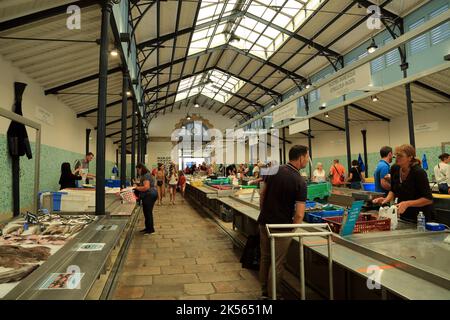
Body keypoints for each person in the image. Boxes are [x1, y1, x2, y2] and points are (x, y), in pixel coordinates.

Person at [258, 145, 309, 300]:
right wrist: (292, 229)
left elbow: (262, 194)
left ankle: (265, 292)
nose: (307, 160)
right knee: (277, 262)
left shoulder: (274, 171)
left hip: (264, 222)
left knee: (265, 257)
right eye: (307, 157)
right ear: (301, 158)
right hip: (281, 227)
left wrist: (265, 213)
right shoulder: (300, 181)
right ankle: (275, 295)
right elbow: (300, 214)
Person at [373, 144, 434, 223]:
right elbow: (393, 190)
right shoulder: (395, 168)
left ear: (410, 157)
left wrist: (407, 203)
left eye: (400, 156)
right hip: (404, 216)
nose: (397, 158)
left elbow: (428, 199)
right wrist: (386, 199)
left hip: (421, 218)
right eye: (396, 155)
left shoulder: (418, 172)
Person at [133, 163, 157, 235]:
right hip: (149, 195)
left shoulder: (146, 175)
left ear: (141, 168)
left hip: (149, 195)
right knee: (146, 212)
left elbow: (146, 187)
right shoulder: (146, 175)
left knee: (148, 212)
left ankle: (150, 230)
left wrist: (136, 187)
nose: (138, 171)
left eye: (138, 170)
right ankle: (148, 228)